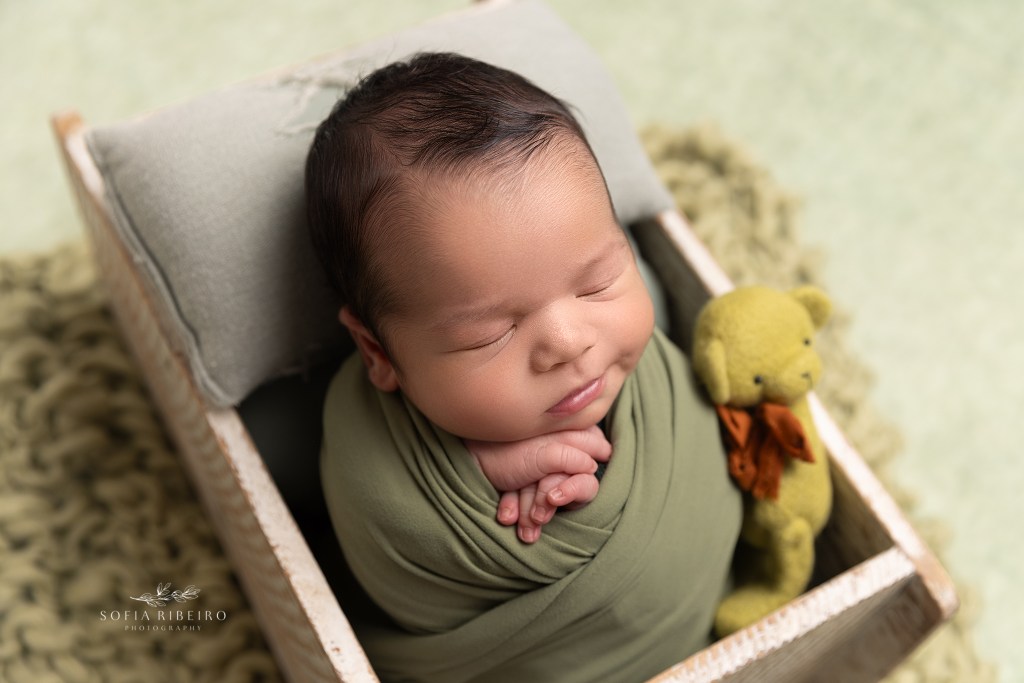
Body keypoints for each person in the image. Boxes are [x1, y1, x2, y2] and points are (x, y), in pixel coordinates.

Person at [306, 51, 741, 683]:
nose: (567, 343)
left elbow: (711, 473)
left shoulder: (654, 379)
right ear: (378, 352)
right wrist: (474, 473)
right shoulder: (361, 437)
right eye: (490, 334)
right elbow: (388, 548)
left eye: (596, 284)